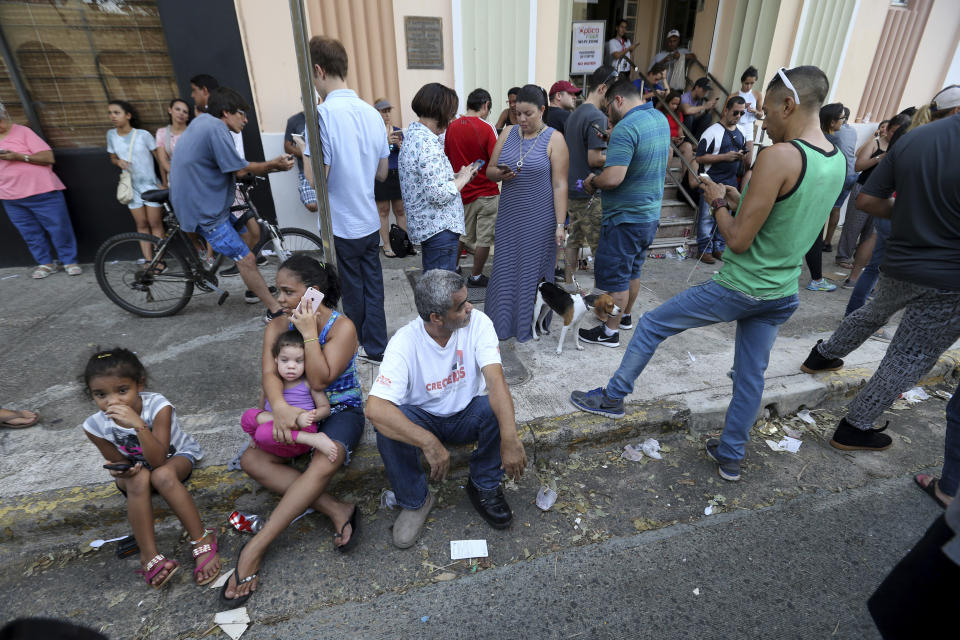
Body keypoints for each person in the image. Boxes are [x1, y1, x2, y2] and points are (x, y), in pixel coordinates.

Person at [571, 66, 845, 484]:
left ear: (789, 105)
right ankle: (731, 455)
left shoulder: (780, 156)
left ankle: (613, 397)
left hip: (742, 286)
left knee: (650, 325)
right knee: (751, 375)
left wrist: (717, 199)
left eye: (767, 110)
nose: (762, 120)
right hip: (783, 292)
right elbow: (788, 220)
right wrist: (738, 198)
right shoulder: (837, 159)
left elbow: (736, 240)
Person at [799, 85, 960, 453]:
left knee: (874, 312)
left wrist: (910, 213)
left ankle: (821, 356)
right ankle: (855, 426)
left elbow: (869, 199)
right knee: (911, 355)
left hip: (902, 258)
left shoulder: (912, 139)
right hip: (950, 276)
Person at [224, 256, 364, 605]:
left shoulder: (341, 327)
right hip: (293, 413)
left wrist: (308, 334)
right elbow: (270, 375)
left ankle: (256, 546)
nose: (281, 298)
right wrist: (282, 411)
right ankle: (336, 509)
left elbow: (319, 378)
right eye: (278, 290)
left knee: (326, 456)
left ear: (313, 293)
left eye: (289, 291)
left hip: (339, 411)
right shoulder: (276, 325)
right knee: (252, 461)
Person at [366, 269, 527, 548]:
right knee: (388, 424)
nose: (470, 308)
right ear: (436, 318)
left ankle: (484, 485)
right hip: (423, 419)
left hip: (467, 415)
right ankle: (415, 500)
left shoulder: (478, 323)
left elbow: (496, 381)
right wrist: (427, 441)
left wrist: (511, 439)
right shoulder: (404, 342)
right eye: (461, 305)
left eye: (467, 300)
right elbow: (375, 408)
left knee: (494, 408)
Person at [80, 348, 220, 588]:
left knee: (162, 475)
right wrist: (118, 470)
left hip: (174, 457)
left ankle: (200, 537)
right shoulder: (93, 426)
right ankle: (149, 555)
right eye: (100, 394)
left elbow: (159, 459)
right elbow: (116, 461)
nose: (112, 401)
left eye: (122, 391)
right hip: (138, 473)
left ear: (140, 384)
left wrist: (139, 426)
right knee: (138, 478)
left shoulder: (158, 407)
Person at [299, 36, 390, 364]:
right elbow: (382, 173)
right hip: (367, 219)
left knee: (351, 292)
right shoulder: (372, 114)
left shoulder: (321, 117)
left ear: (318, 70)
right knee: (373, 288)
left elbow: (316, 180)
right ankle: (377, 348)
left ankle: (356, 346)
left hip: (341, 222)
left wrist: (303, 150)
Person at [170, 87, 293, 322]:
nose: (246, 120)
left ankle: (249, 281)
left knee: (253, 231)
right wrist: (273, 165)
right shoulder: (215, 128)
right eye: (242, 114)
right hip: (203, 209)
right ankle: (275, 311)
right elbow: (240, 168)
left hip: (209, 198)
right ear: (226, 112)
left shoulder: (205, 122)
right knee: (246, 259)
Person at [578, 79, 670, 346]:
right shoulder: (659, 119)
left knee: (616, 280)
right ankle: (626, 317)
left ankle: (610, 333)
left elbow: (613, 178)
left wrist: (592, 182)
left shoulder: (626, 128)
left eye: (608, 109)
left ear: (618, 101)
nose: (608, 116)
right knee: (633, 272)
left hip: (623, 219)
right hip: (648, 216)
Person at [485, 84, 569, 342]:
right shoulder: (508, 132)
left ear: (542, 110)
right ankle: (500, 325)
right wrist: (499, 174)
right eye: (517, 113)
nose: (521, 119)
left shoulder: (555, 138)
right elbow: (489, 170)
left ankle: (527, 327)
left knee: (532, 272)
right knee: (505, 269)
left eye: (528, 114)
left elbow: (560, 184)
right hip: (510, 217)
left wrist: (559, 224)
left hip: (540, 219)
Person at [398, 83, 477, 272]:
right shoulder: (427, 144)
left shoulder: (414, 137)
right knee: (441, 295)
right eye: (451, 114)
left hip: (429, 229)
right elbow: (439, 194)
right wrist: (464, 177)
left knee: (434, 289)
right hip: (439, 229)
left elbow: (427, 178)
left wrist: (456, 176)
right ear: (441, 113)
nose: (452, 119)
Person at [0, 101, 81, 278]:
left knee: (59, 228)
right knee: (29, 232)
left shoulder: (22, 132)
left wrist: (18, 156)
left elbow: (48, 157)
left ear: (4, 115)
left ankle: (69, 261)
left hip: (42, 191)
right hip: (10, 197)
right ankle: (45, 263)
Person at [843, 113, 910, 318]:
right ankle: (868, 317)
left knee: (874, 264)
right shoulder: (891, 150)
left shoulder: (901, 152)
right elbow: (859, 167)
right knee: (884, 269)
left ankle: (854, 314)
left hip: (887, 205)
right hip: (888, 205)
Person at [240, 329, 338, 462]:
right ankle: (263, 436)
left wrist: (307, 417)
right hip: (275, 434)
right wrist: (254, 433)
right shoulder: (271, 384)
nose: (291, 366)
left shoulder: (308, 383)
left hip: (302, 432)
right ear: (276, 360)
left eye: (298, 361)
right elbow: (261, 409)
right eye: (285, 360)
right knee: (248, 416)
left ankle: (314, 439)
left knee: (262, 433)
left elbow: (325, 408)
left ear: (306, 362)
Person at [562, 65, 615, 289]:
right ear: (603, 89)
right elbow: (595, 159)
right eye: (612, 95)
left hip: (572, 190)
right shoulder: (597, 117)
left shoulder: (574, 114)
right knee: (599, 246)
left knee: (573, 239)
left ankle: (568, 285)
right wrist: (619, 155)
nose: (614, 101)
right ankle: (599, 295)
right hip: (590, 192)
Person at [444, 88, 500, 286]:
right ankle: (476, 276)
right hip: (486, 191)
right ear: (485, 105)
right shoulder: (487, 127)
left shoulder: (451, 127)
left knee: (462, 233)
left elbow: (448, 157)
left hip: (462, 190)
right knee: (484, 238)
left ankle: (453, 268)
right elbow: (496, 158)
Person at [694, 96, 751, 265]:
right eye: (736, 112)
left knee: (725, 215)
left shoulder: (741, 132)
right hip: (711, 180)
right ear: (726, 110)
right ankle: (704, 249)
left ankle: (719, 247)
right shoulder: (712, 132)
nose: (739, 116)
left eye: (742, 113)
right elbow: (699, 158)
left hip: (730, 181)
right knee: (707, 217)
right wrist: (724, 157)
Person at [107, 100, 163, 262]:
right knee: (142, 225)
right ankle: (148, 261)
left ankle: (159, 262)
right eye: (110, 113)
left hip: (151, 185)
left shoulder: (143, 135)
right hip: (131, 187)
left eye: (116, 112)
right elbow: (112, 157)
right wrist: (118, 162)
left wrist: (163, 182)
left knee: (155, 223)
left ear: (128, 115)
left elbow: (159, 159)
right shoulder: (111, 135)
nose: (112, 116)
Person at [801, 102, 846, 292]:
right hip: (819, 195)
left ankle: (816, 278)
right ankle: (817, 280)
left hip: (811, 193)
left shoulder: (815, 138)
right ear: (832, 121)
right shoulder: (832, 142)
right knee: (814, 238)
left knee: (810, 236)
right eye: (842, 118)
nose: (843, 122)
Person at [373, 98, 409, 257]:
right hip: (381, 174)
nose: (387, 114)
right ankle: (387, 245)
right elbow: (371, 155)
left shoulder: (397, 130)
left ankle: (402, 244)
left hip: (397, 174)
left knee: (400, 210)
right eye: (383, 111)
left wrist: (401, 147)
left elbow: (406, 155)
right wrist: (386, 142)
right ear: (377, 113)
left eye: (389, 111)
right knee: (383, 211)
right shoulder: (373, 131)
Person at [821, 104, 857, 253]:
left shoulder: (832, 135)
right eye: (841, 118)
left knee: (823, 209)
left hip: (839, 176)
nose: (843, 121)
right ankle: (828, 242)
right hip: (852, 174)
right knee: (836, 208)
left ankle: (816, 241)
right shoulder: (852, 131)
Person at [283, 103, 319, 214]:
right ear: (302, 101)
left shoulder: (325, 116)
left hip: (327, 167)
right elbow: (287, 146)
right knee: (312, 205)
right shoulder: (294, 120)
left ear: (318, 100)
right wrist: (306, 153)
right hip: (306, 170)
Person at [155, 98, 190, 187]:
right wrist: (165, 183)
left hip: (193, 176)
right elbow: (162, 160)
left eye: (185, 112)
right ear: (170, 110)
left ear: (188, 117)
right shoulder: (162, 133)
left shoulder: (192, 132)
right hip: (173, 179)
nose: (181, 113)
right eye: (177, 109)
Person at [736, 66, 762, 144]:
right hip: (736, 125)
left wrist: (755, 111)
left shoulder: (757, 94)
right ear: (742, 81)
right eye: (746, 83)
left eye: (752, 83)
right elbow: (725, 114)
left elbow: (760, 115)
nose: (749, 86)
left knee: (748, 155)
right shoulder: (734, 95)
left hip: (749, 127)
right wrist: (741, 107)